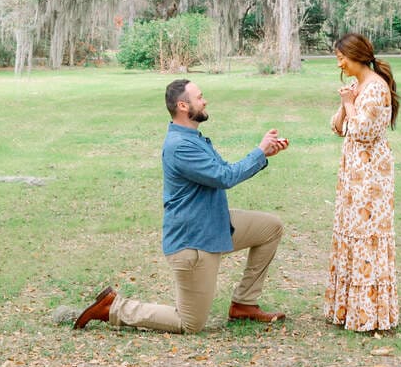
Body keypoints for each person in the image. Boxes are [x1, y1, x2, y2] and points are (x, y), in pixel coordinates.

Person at [74, 78, 290, 333]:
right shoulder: (180, 146)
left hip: (215, 223)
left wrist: (263, 155)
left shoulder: (192, 138)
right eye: (199, 97)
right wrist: (259, 152)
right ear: (183, 106)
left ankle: (244, 304)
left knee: (270, 228)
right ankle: (114, 308)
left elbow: (223, 171)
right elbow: (225, 178)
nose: (205, 100)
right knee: (190, 323)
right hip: (194, 242)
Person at [325, 32, 400, 332]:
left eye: (341, 57)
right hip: (354, 171)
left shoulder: (376, 89)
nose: (339, 62)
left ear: (356, 55)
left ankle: (369, 314)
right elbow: (337, 125)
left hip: (371, 175)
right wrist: (345, 103)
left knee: (366, 233)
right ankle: (348, 310)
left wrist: (349, 103)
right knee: (351, 230)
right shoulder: (358, 86)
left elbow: (363, 131)